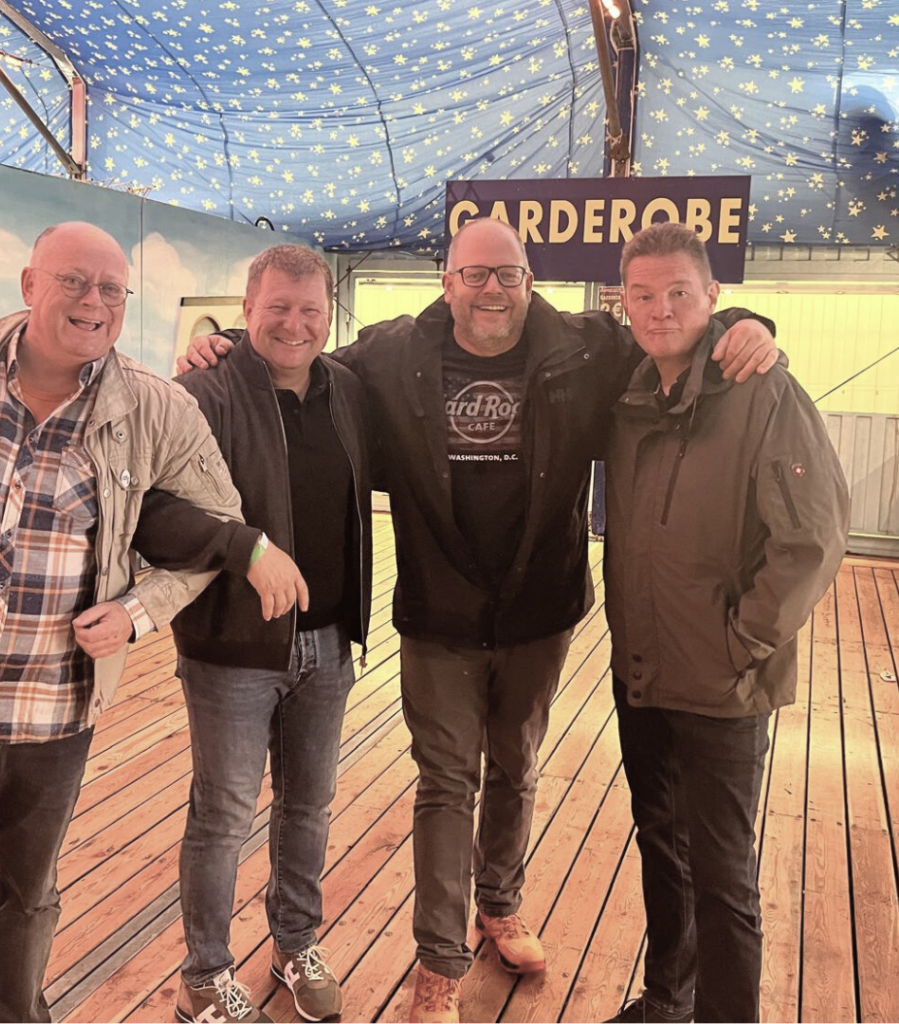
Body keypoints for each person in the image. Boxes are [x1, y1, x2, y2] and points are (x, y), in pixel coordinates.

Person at [179, 216, 778, 1024]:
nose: (492, 289)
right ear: (447, 280)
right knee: (446, 782)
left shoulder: (585, 347)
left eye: (508, 274)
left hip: (539, 610)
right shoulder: (391, 353)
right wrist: (222, 345)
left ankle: (499, 904)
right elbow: (295, 352)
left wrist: (744, 322)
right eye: (475, 274)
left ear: (529, 281)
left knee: (517, 768)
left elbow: (673, 329)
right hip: (440, 614)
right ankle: (440, 961)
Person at [0, 221, 304, 1024]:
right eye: (74, 281)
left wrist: (138, 614)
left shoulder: (152, 405)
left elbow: (219, 522)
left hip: (53, 706)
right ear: (29, 283)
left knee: (28, 901)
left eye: (112, 289)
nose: (94, 302)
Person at [602, 222, 849, 1024]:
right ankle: (668, 1001)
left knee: (722, 878)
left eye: (680, 292)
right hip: (643, 674)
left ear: (713, 296)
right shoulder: (631, 397)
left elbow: (813, 538)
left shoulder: (764, 391)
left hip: (723, 684)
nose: (661, 310)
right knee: (661, 851)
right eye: (644, 294)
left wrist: (742, 642)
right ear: (623, 302)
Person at [135, 244, 372, 1024]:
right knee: (224, 815)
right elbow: (153, 514)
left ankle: (295, 943)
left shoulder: (344, 390)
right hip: (231, 650)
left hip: (327, 644)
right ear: (246, 309)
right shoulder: (200, 392)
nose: (295, 325)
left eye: (311, 310)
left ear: (330, 315)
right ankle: (205, 974)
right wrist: (245, 548)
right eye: (277, 309)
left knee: (309, 805)